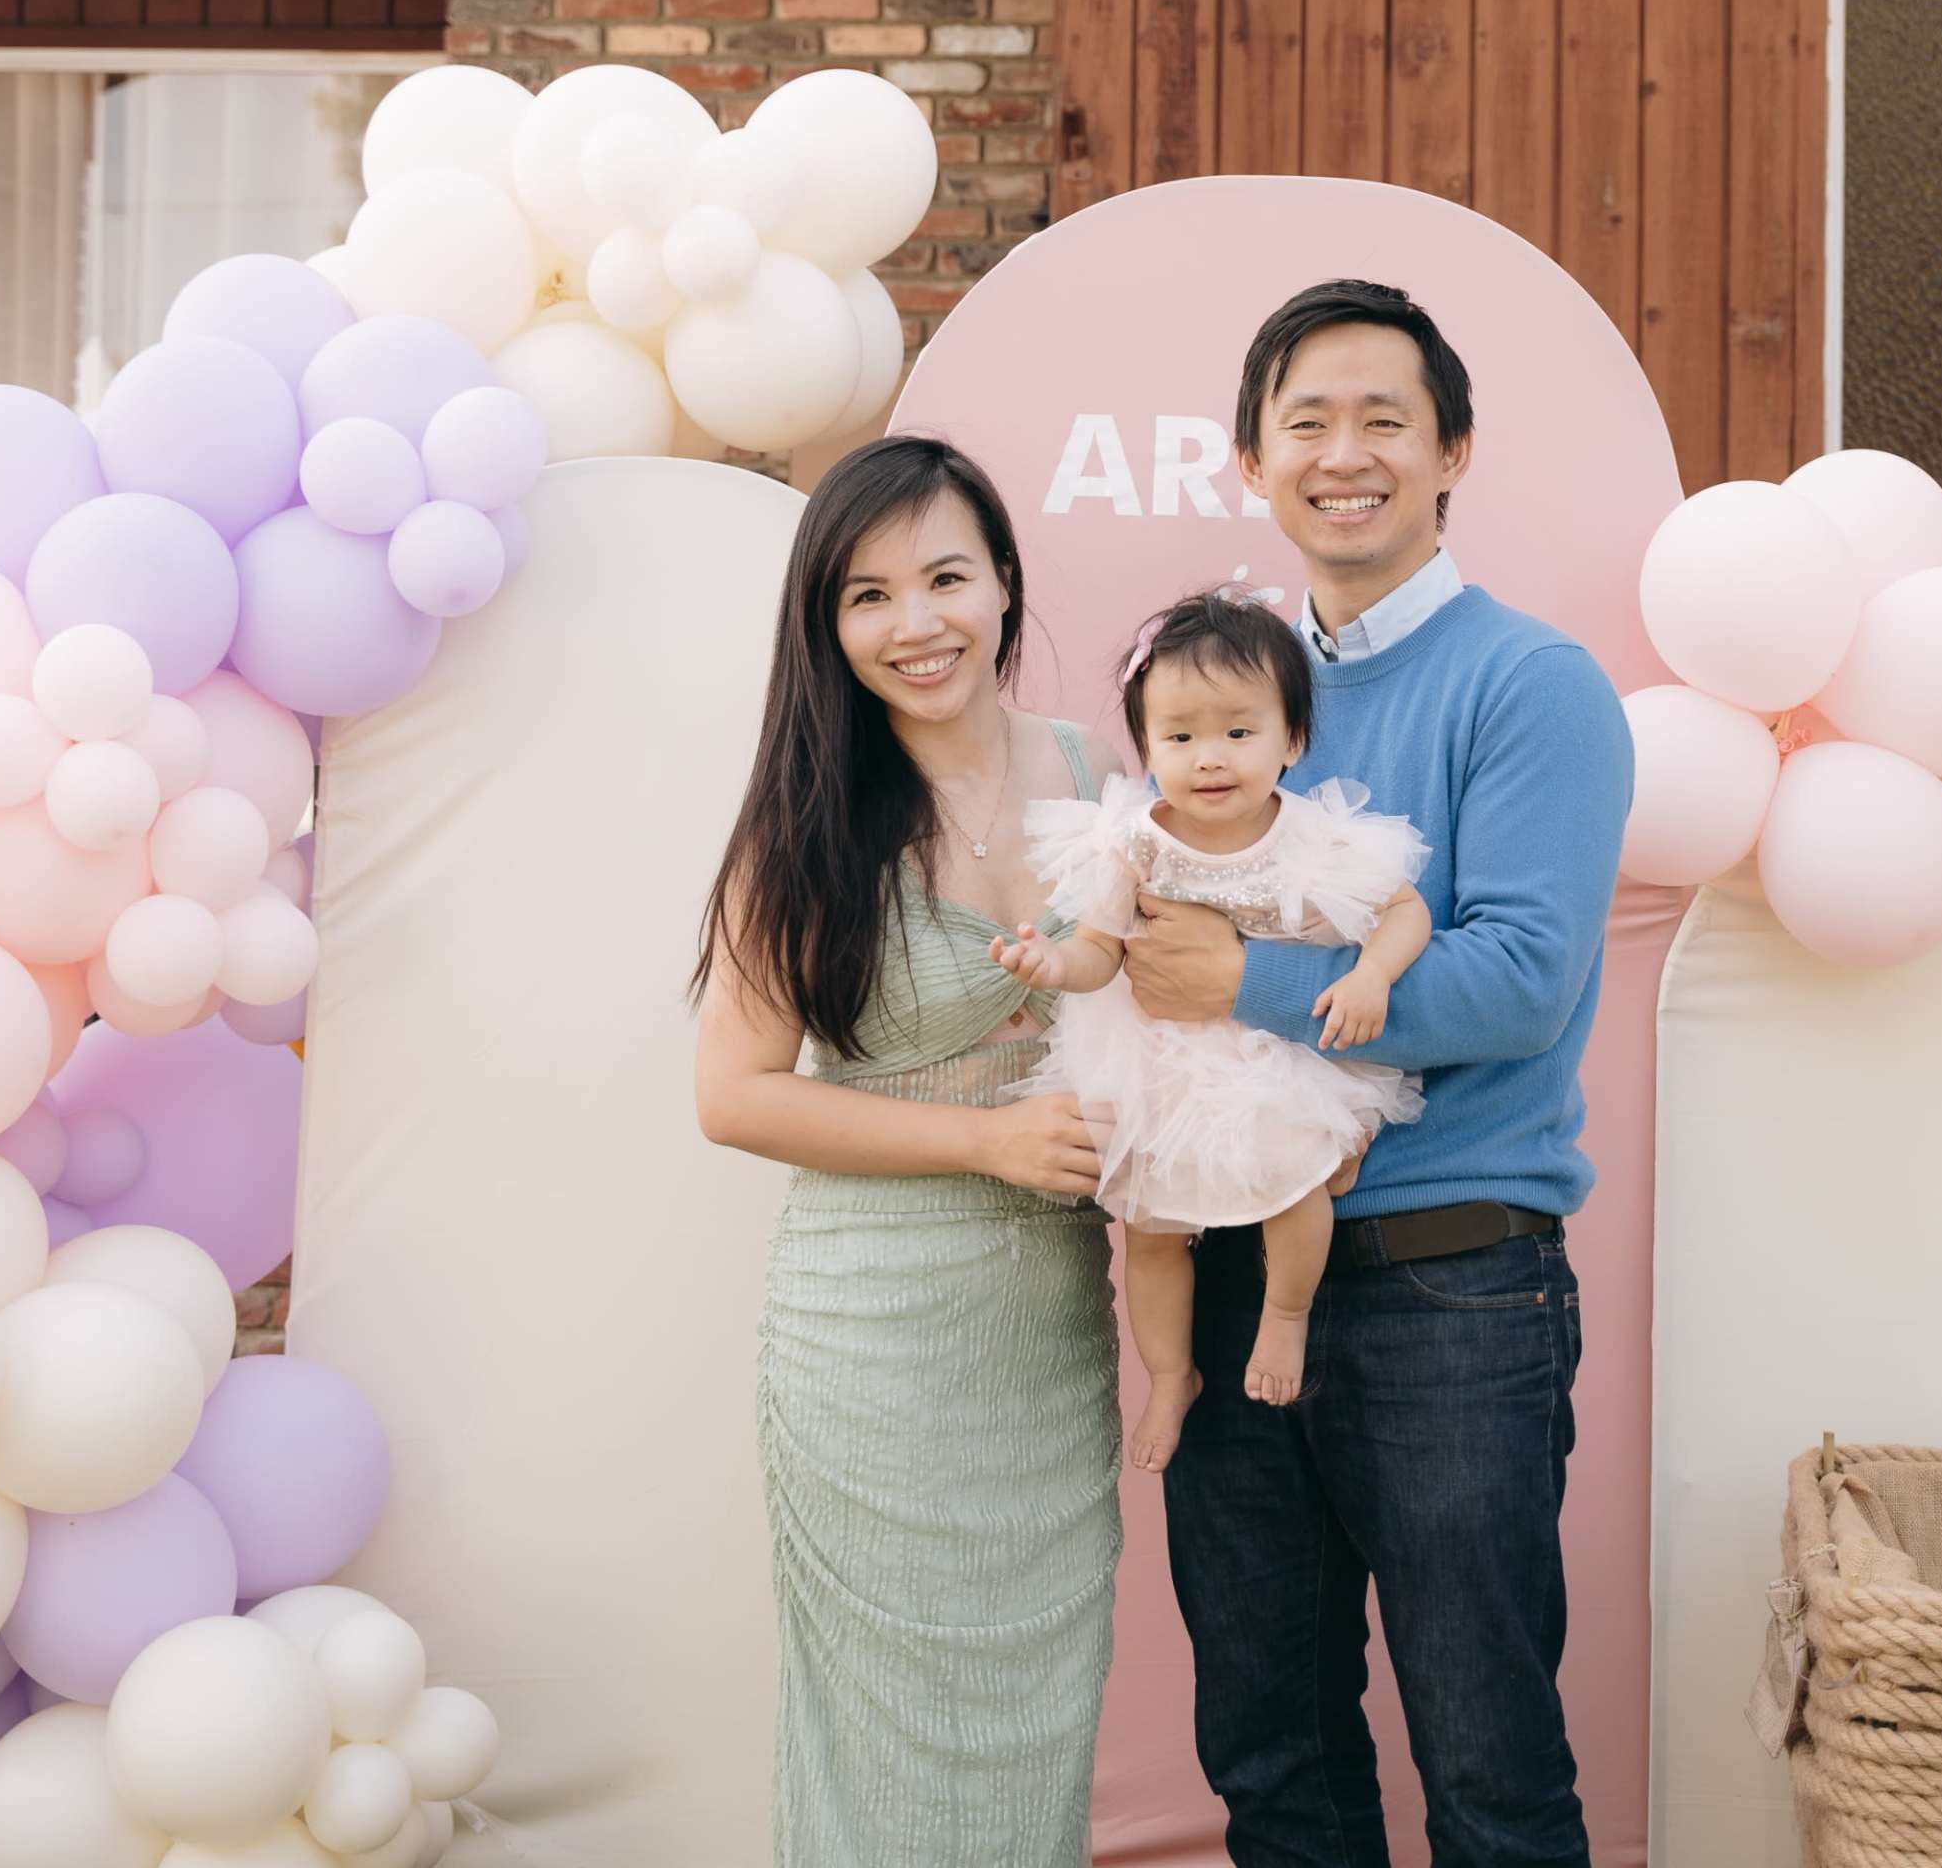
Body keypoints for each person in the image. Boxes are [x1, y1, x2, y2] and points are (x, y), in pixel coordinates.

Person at [1122, 281, 1636, 1868]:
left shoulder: (1530, 684)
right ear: (1249, 463)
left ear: (1453, 449)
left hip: (1449, 1286)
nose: (1345, 454)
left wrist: (1244, 980)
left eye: (1384, 420)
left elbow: (1522, 979)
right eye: (1307, 424)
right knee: (1273, 1755)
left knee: (1487, 1760)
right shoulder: (1227, 688)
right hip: (1229, 1266)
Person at [689, 435, 1121, 1868]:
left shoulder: (1090, 770)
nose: (915, 621)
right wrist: (989, 1135)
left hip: (1049, 1335)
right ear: (830, 625)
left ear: (1003, 579)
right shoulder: (807, 817)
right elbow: (738, 1094)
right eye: (868, 595)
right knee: (883, 1730)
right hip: (872, 1338)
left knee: (1038, 1722)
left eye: (945, 574)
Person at [991, 585, 1434, 1472]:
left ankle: (1287, 1315)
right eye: (1180, 736)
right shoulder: (1136, 842)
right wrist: (1053, 966)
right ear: (1148, 745)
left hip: (1269, 1053)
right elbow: (1101, 949)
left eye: (1239, 731)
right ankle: (1169, 1372)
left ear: (1292, 738)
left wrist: (1372, 973)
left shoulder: (1313, 835)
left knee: (1293, 1186)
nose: (1210, 758)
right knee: (1150, 1231)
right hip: (1158, 1058)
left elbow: (1405, 909)